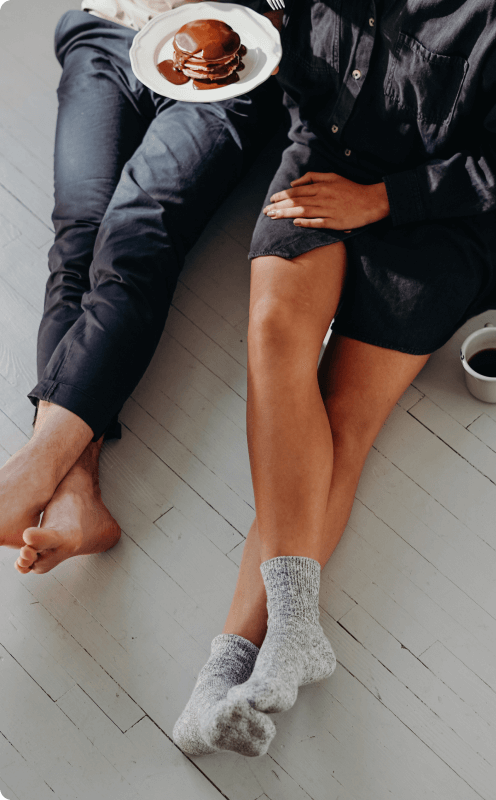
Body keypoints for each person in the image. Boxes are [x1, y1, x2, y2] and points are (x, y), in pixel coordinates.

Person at [173, 0, 496, 757]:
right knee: (273, 337)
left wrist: (384, 200)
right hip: (327, 156)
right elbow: (300, 66)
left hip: (441, 212)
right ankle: (285, 634)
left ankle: (220, 674)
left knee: (341, 416)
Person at [0, 0, 283, 574]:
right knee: (77, 240)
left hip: (236, 57)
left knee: (135, 235)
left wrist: (274, 16)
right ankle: (76, 494)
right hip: (111, 29)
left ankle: (32, 468)